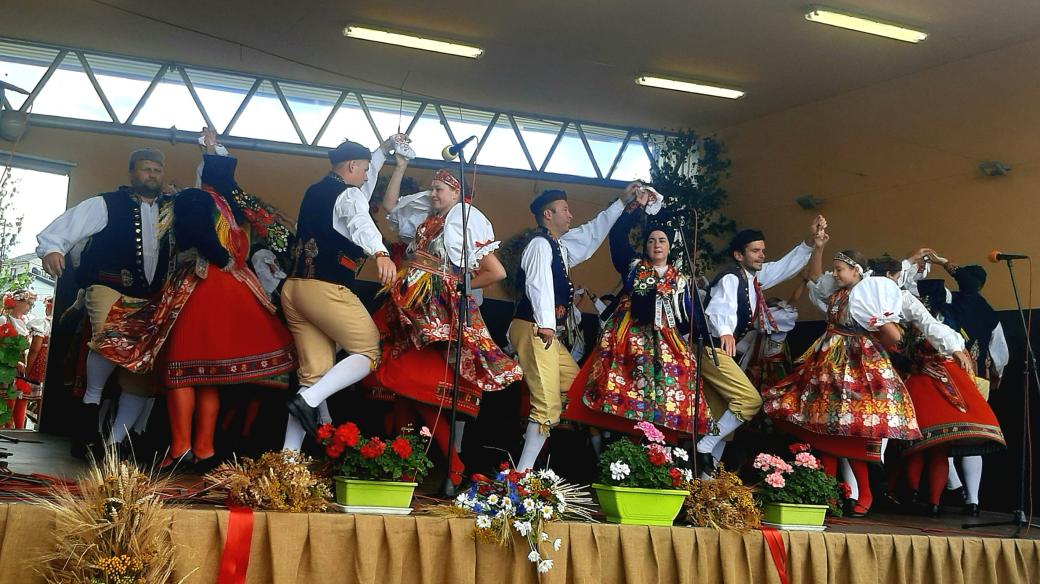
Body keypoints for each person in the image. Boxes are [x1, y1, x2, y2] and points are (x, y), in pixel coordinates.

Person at [95, 142, 298, 468]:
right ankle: (203, 448)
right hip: (230, 290)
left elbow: (194, 234)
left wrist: (219, 257)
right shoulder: (226, 210)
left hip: (200, 288)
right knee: (207, 377)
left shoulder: (196, 197)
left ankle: (181, 447)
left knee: (183, 372)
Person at [366, 153, 521, 485]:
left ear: (456, 193)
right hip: (411, 309)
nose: (433, 194)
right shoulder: (428, 220)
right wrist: (402, 165)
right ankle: (408, 466)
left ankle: (450, 464)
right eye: (432, 189)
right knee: (404, 391)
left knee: (414, 385)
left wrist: (455, 285)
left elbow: (495, 271)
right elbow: (392, 206)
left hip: (435, 314)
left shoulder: (463, 221)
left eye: (439, 189)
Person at [36, 148, 174, 457]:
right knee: (111, 340)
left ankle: (114, 444)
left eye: (156, 170)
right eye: (145, 169)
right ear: (131, 174)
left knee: (140, 366)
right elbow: (66, 227)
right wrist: (51, 249)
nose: (151, 175)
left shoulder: (171, 210)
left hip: (151, 296)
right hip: (108, 285)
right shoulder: (106, 203)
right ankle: (87, 421)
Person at [763, 250, 921, 516]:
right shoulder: (835, 296)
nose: (834, 274)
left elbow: (886, 330)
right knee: (825, 432)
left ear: (856, 271)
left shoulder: (868, 295)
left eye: (839, 270)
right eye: (834, 270)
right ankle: (829, 494)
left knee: (848, 435)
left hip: (856, 362)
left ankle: (864, 493)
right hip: (829, 366)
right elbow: (817, 284)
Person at [509, 183, 651, 471]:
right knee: (547, 405)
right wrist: (548, 324)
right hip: (535, 327)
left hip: (544, 331)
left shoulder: (558, 245)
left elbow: (592, 233)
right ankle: (521, 475)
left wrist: (621, 203)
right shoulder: (539, 244)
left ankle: (540, 452)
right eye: (565, 210)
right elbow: (539, 285)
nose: (571, 215)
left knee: (578, 390)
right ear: (548, 214)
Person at [280, 137, 401, 450]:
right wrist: (381, 252)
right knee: (370, 349)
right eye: (363, 170)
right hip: (325, 287)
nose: (365, 176)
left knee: (314, 376)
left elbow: (364, 184)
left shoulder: (316, 190)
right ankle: (308, 400)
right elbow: (360, 220)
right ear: (351, 166)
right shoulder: (348, 194)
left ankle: (287, 461)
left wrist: (383, 151)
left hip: (294, 289)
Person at [563, 202, 710, 438]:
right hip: (629, 336)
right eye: (651, 241)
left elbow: (689, 314)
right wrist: (633, 208)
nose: (656, 245)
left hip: (666, 338)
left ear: (670, 246)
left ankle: (661, 434)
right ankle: (615, 433)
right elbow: (618, 236)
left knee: (683, 370)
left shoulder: (680, 279)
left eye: (662, 240)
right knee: (629, 375)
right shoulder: (633, 268)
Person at [694, 217, 828, 474]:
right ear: (738, 255)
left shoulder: (752, 278)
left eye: (762, 251)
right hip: (713, 348)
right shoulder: (731, 278)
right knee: (749, 401)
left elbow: (783, 267)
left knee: (721, 415)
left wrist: (811, 242)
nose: (761, 256)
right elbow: (721, 305)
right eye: (755, 251)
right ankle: (704, 447)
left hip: (722, 351)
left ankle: (706, 482)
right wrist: (726, 331)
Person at [872, 256, 1004, 516]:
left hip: (920, 381)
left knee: (918, 445)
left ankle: (914, 495)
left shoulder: (906, 312)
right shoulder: (955, 313)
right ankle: (954, 500)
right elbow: (1000, 353)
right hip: (959, 378)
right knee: (940, 448)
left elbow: (898, 348)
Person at [917, 252, 1009, 516]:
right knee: (973, 436)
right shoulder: (990, 313)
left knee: (945, 433)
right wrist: (997, 375)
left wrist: (939, 262)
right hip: (978, 379)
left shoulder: (949, 302)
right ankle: (973, 499)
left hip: (948, 375)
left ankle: (953, 482)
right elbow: (1001, 352)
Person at [1, 290, 36, 429]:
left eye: (31, 304)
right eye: (27, 303)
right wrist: (15, 363)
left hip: (18, 371)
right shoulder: (4, 319)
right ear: (17, 302)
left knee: (14, 408)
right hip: (6, 368)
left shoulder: (25, 322)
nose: (29, 306)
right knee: (5, 410)